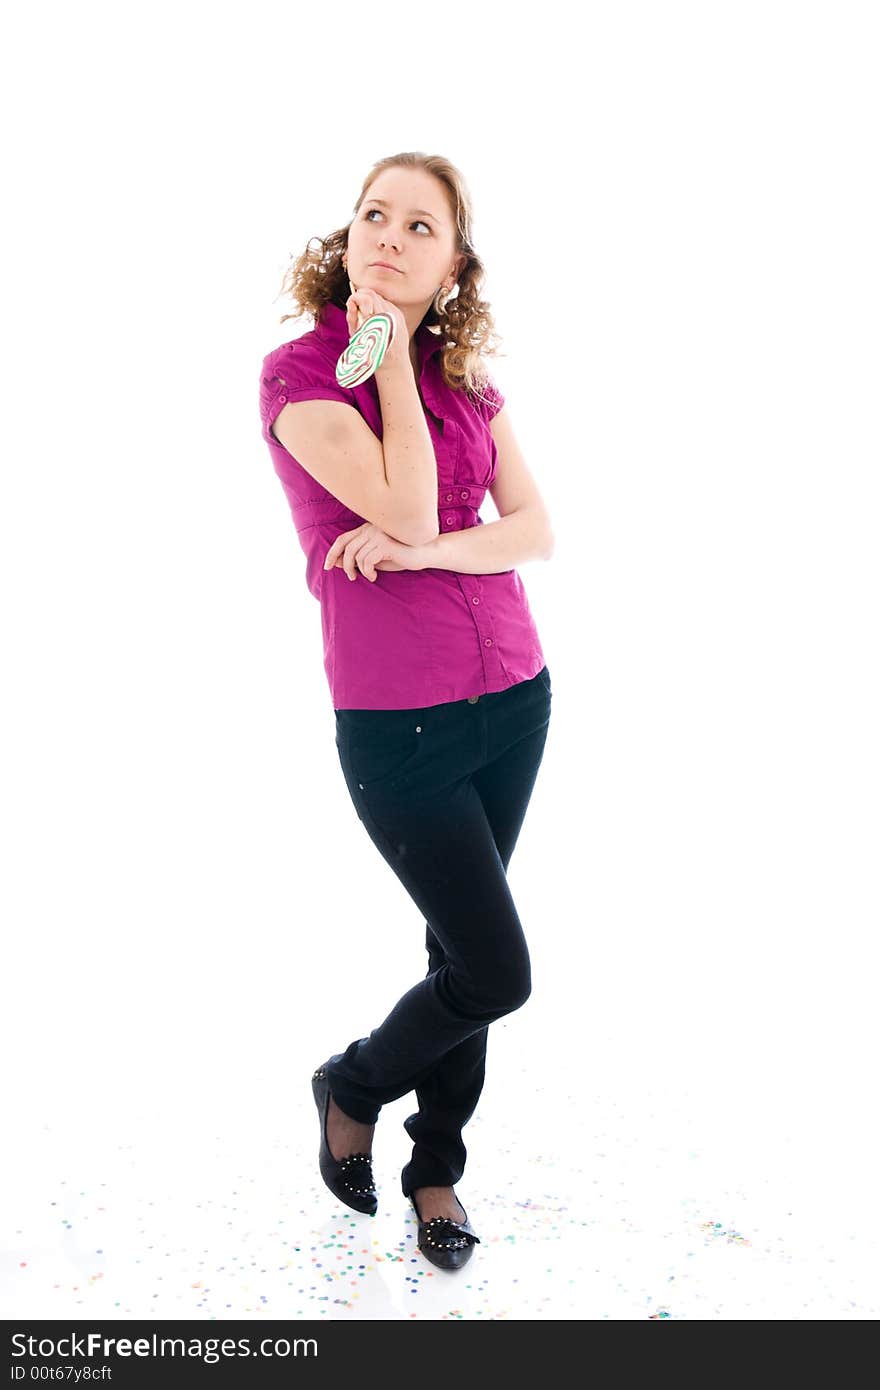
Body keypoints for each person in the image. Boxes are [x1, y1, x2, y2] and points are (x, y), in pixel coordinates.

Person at [258, 152, 554, 1271]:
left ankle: (435, 1167)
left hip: (516, 698)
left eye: (418, 225)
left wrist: (428, 551)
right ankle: (354, 1081)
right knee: (494, 969)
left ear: (455, 263)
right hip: (401, 726)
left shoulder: (471, 379)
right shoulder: (299, 374)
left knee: (457, 950)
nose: (387, 235)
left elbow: (533, 528)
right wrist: (376, 356)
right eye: (372, 214)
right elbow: (409, 495)